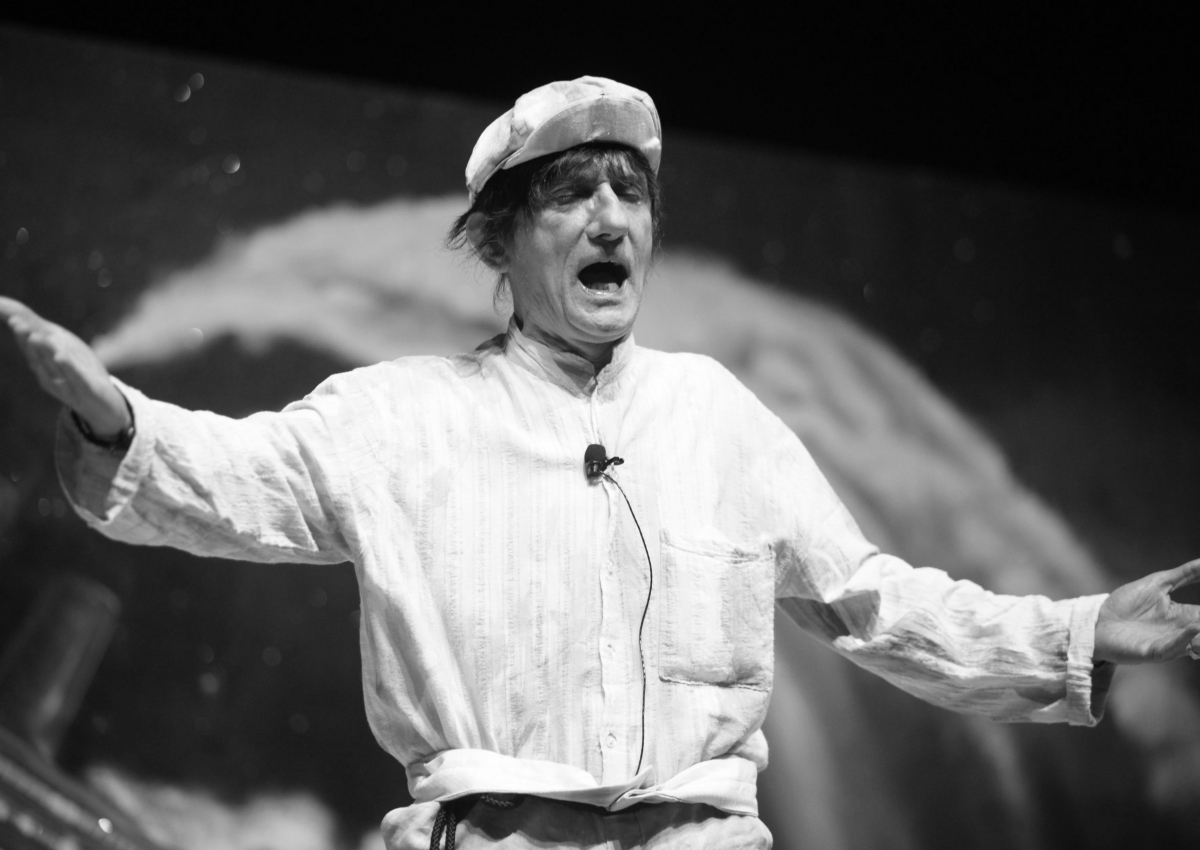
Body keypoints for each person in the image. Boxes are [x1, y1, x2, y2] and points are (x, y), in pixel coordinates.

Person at [2, 75, 1199, 850]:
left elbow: (877, 604)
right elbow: (237, 478)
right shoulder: (401, 417)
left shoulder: (714, 416)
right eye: (574, 191)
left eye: (632, 191)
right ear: (503, 239)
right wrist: (116, 420)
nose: (612, 216)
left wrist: (1079, 630)